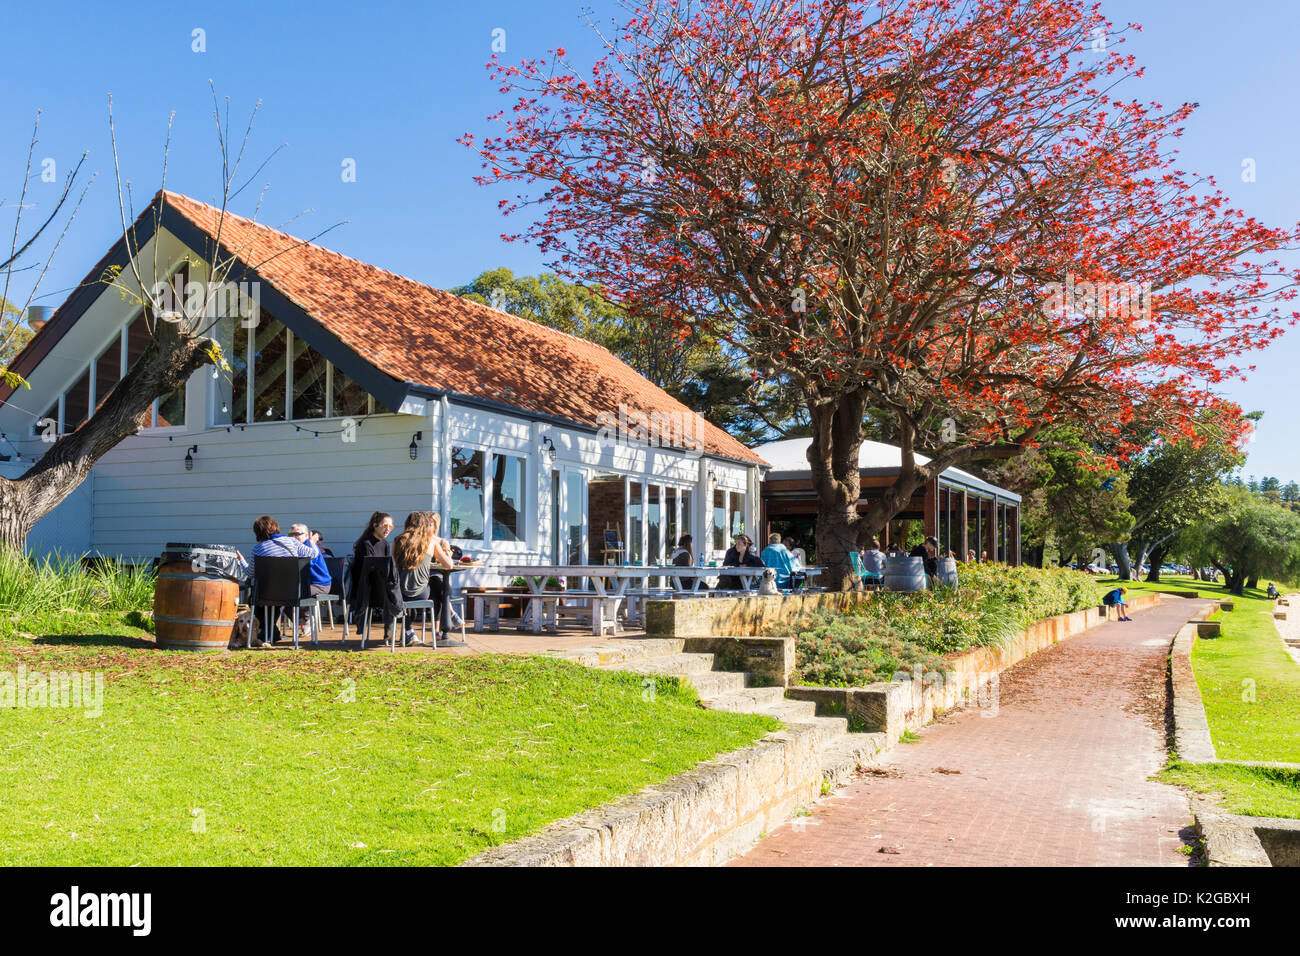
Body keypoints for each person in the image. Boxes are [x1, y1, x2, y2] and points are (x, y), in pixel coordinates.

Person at [246, 515, 321, 644]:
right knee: (272, 604)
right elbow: (313, 554)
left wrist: (241, 560)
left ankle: (269, 633)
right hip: (292, 593)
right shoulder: (292, 541)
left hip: (267, 594)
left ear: (258, 532)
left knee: (255, 599)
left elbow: (250, 574)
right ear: (275, 527)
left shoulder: (257, 549)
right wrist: (312, 542)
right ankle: (272, 634)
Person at [394, 512, 456, 644]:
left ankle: (409, 631)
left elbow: (395, 564)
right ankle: (440, 628)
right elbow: (449, 565)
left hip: (399, 593)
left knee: (406, 599)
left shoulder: (397, 540)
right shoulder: (431, 542)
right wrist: (448, 554)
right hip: (422, 593)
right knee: (436, 583)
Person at [350, 511, 402, 638]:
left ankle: (391, 629)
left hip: (380, 585)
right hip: (366, 588)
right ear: (375, 525)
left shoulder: (384, 544)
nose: (388, 529)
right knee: (391, 594)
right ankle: (392, 627)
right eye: (385, 526)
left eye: (391, 526)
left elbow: (387, 568)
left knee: (393, 589)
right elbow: (368, 571)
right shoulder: (365, 543)